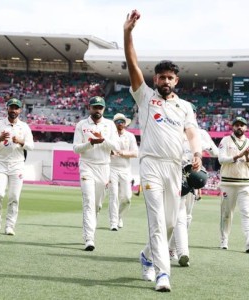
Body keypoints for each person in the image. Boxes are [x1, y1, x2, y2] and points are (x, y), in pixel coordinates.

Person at [124, 10, 203, 292]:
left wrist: (197, 153)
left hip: (174, 166)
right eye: (161, 77)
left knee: (171, 223)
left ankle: (147, 255)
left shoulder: (184, 107)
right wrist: (128, 32)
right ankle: (163, 274)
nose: (165, 81)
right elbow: (132, 64)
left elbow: (192, 133)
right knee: (157, 219)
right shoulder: (144, 96)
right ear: (155, 79)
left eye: (170, 77)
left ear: (176, 81)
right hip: (151, 165)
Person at [169, 103, 219, 264]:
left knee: (187, 216)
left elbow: (215, 152)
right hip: (175, 175)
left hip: (193, 177)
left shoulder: (201, 133)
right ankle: (180, 250)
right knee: (177, 215)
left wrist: (205, 148)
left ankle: (172, 249)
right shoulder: (173, 131)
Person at [73, 96, 119, 251]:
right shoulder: (82, 125)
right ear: (89, 108)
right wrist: (91, 143)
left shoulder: (110, 125)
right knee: (88, 201)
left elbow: (116, 146)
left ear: (104, 109)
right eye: (95, 107)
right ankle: (89, 238)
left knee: (97, 205)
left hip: (103, 167)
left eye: (100, 107)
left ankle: (91, 226)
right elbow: (76, 148)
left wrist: (102, 139)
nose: (97, 110)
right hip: (87, 166)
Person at [0, 98, 34, 236]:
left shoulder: (24, 127)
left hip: (17, 165)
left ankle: (9, 225)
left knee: (14, 196)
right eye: (11, 107)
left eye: (16, 108)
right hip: (0, 163)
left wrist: (21, 142)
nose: (13, 110)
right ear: (7, 108)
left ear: (20, 110)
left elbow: (31, 146)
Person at [218, 116, 249, 253]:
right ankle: (224, 240)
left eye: (242, 125)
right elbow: (221, 159)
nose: (239, 127)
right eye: (237, 125)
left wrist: (247, 157)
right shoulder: (225, 140)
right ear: (233, 127)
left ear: (246, 128)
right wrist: (238, 156)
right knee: (226, 213)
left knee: (246, 213)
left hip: (245, 183)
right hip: (228, 182)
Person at [108, 113, 138, 231]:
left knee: (127, 197)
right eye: (118, 121)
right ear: (114, 123)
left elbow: (135, 153)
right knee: (114, 195)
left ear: (125, 123)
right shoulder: (110, 135)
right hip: (112, 168)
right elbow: (104, 149)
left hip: (125, 169)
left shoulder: (130, 136)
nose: (120, 123)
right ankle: (113, 222)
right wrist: (110, 152)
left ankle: (120, 216)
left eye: (122, 121)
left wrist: (121, 153)